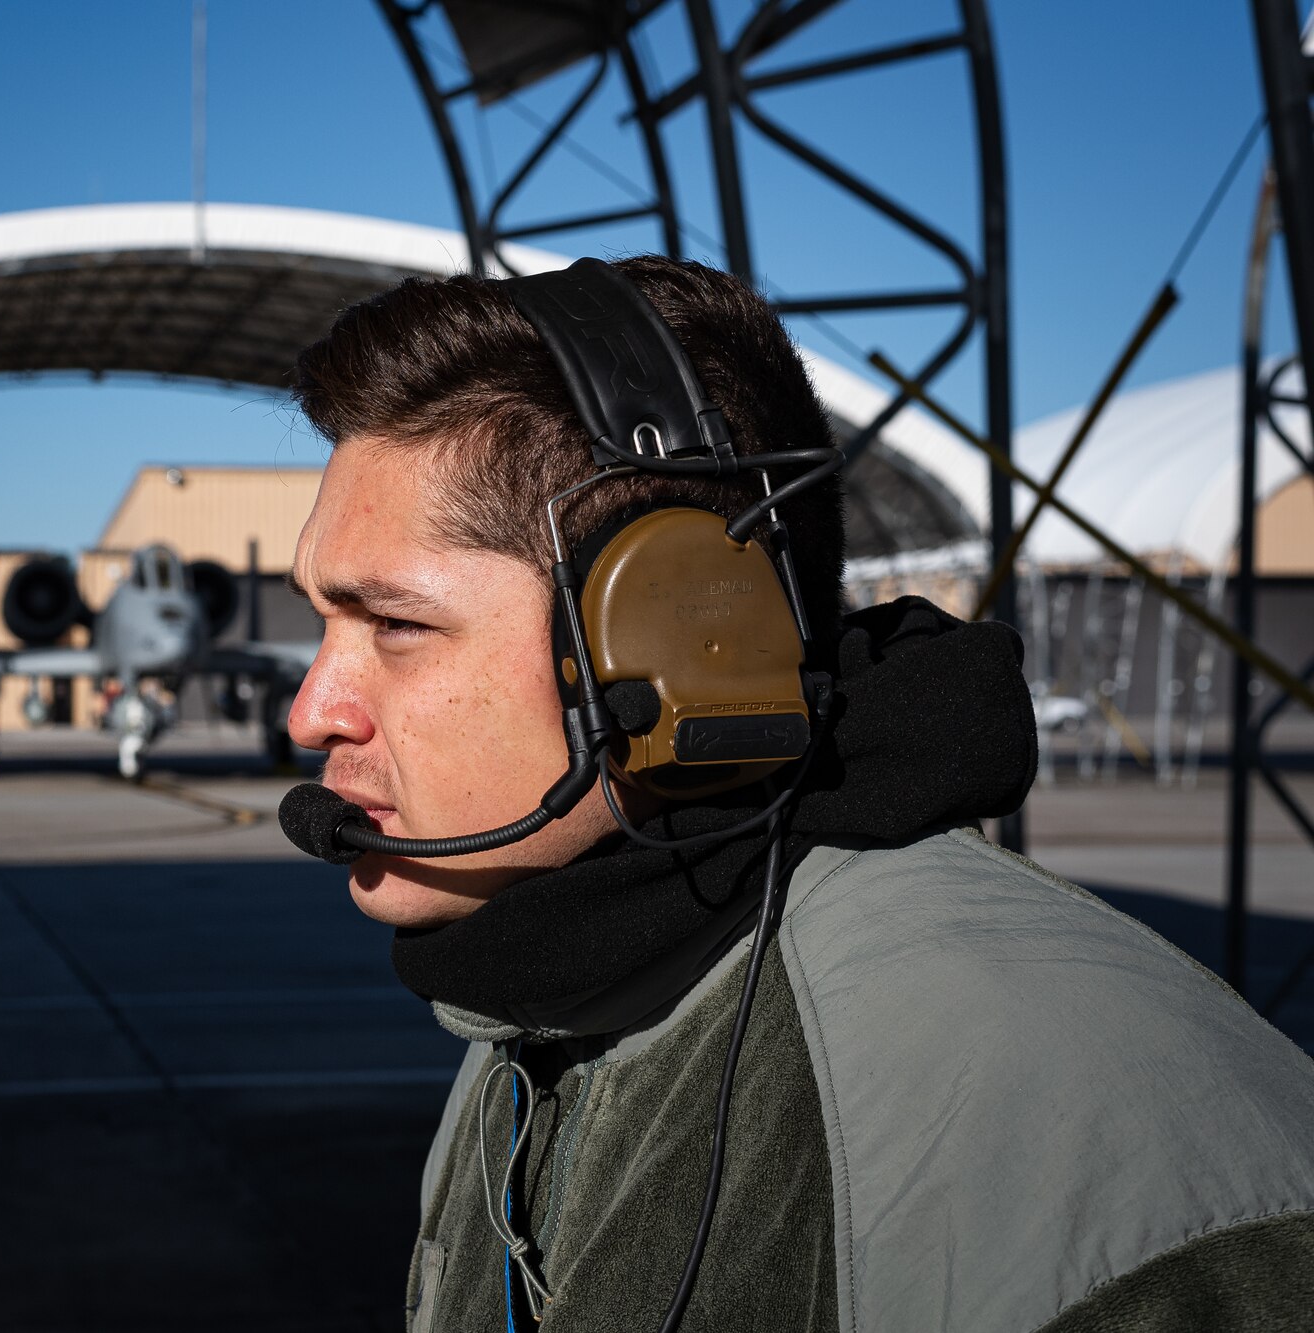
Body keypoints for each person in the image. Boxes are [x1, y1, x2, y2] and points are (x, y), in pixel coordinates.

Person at [282, 255, 1314, 1332]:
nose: (312, 710)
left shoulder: (1060, 1100)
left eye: (394, 624)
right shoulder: (537, 1014)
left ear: (680, 637)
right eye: (323, 622)